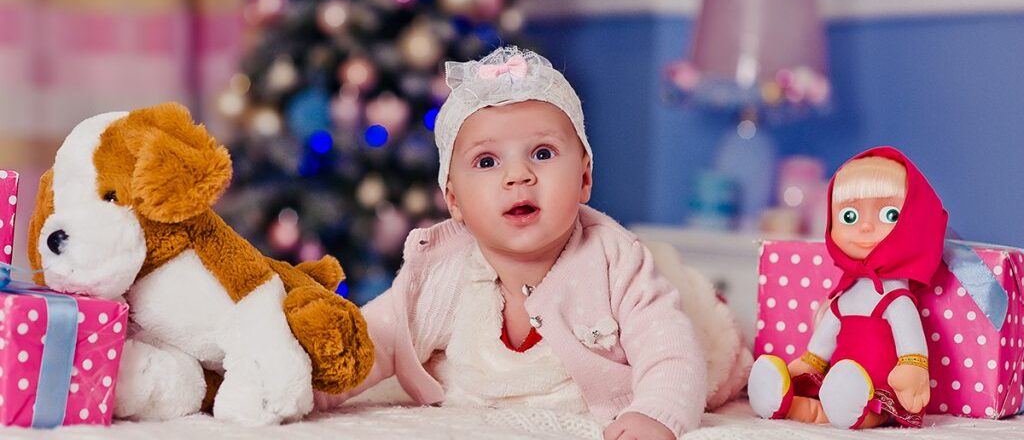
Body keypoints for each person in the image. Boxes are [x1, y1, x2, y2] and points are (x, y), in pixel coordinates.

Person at [316, 46, 708, 439]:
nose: (518, 175)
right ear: (454, 200)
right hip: (476, 417)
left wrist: (656, 414)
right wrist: (307, 386)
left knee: (710, 339)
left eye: (543, 153)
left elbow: (670, 350)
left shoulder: (614, 260)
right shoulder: (443, 272)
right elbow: (371, 341)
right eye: (487, 161)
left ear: (584, 178)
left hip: (589, 412)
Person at [749, 147, 945, 429]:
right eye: (850, 216)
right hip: (837, 384)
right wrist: (810, 363)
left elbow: (910, 341)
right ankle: (780, 400)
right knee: (822, 403)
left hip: (880, 388)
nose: (865, 227)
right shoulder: (846, 292)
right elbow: (824, 339)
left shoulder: (896, 297)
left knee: (858, 400)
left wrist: (913, 367)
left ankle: (852, 406)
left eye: (889, 214)